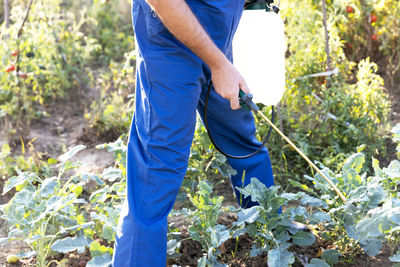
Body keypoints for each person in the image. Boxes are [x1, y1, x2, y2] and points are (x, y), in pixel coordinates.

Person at [112, 0, 275, 266]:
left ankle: (271, 228)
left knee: (241, 138)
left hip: (219, 39)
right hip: (169, 43)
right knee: (157, 167)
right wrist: (218, 65)